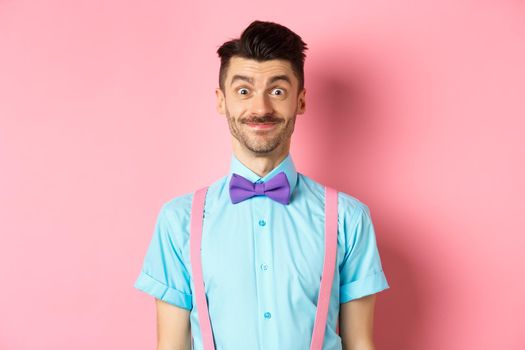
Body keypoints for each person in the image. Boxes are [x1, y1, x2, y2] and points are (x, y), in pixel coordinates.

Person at [134, 20, 389, 350]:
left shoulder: (348, 218)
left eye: (277, 91)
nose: (261, 108)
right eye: (244, 91)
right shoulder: (178, 220)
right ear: (222, 100)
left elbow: (360, 344)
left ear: (300, 101)